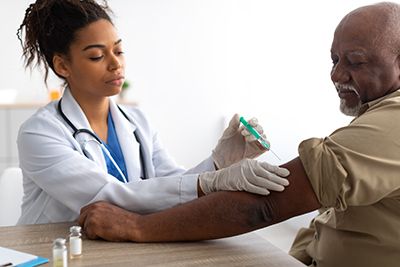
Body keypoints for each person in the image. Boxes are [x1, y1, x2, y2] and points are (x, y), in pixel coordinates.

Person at [78, 2, 400, 267]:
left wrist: (136, 225)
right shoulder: (39, 131)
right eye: (334, 59)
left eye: (355, 61)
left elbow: (264, 206)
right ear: (62, 66)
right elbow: (166, 184)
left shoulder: (392, 122)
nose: (336, 74)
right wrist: (214, 170)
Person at [16, 0, 290, 225]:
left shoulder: (135, 121)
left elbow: (173, 183)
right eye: (97, 56)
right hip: (53, 251)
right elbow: (106, 196)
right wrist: (212, 182)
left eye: (119, 51)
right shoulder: (39, 133)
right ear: (62, 65)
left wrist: (219, 162)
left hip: (118, 245)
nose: (116, 65)